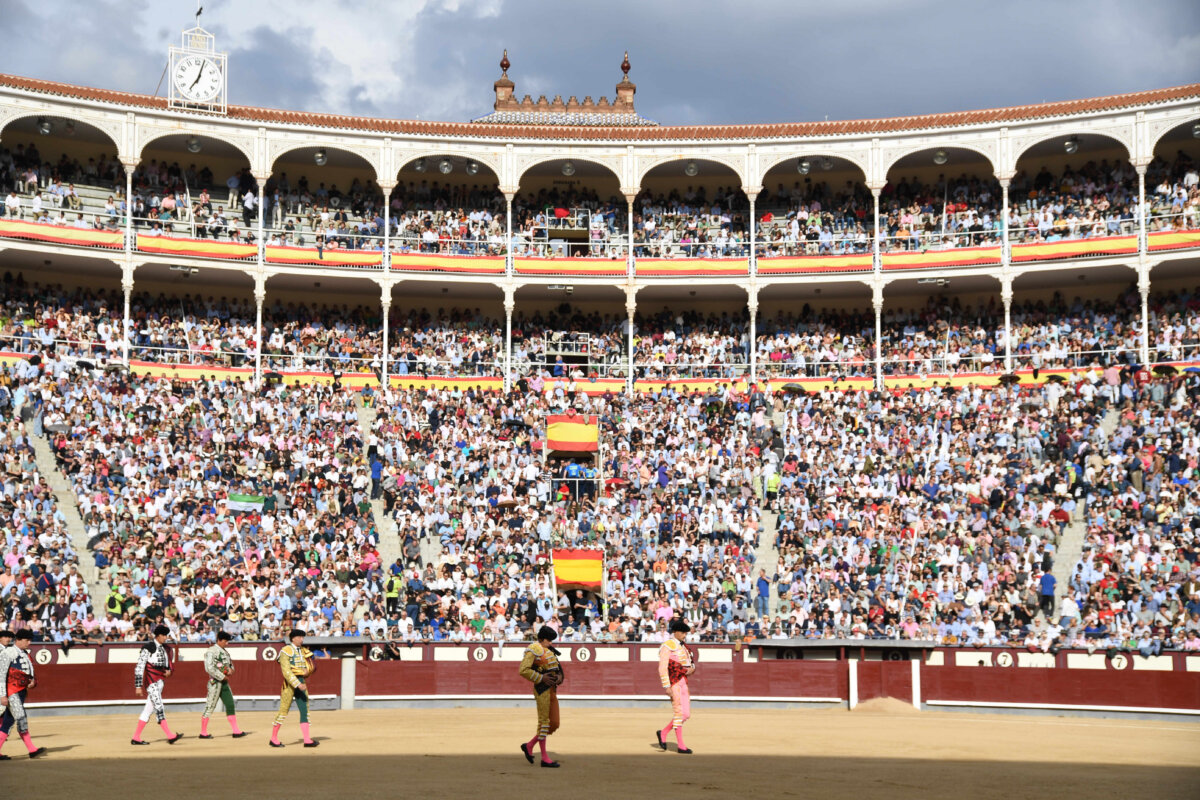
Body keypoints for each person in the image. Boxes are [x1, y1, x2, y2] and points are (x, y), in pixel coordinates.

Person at [517, 625, 563, 768]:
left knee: (554, 723)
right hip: (542, 689)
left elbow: (558, 669)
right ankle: (544, 758)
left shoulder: (549, 650)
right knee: (544, 722)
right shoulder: (534, 649)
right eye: (548, 640)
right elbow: (523, 670)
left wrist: (560, 677)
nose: (550, 643)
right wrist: (540, 678)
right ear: (542, 639)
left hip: (552, 690)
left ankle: (530, 745)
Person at [132, 624, 183, 745]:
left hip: (160, 682)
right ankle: (170, 736)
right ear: (158, 636)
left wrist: (169, 672)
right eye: (164, 635)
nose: (166, 638)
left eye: (166, 635)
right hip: (151, 682)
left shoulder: (165, 648)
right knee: (159, 707)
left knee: (147, 710)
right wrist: (138, 686)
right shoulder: (148, 647)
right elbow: (139, 667)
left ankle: (136, 737)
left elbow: (168, 666)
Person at [0, 630, 47, 759]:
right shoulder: (7, 652)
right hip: (11, 692)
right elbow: (1, 675)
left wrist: (32, 681)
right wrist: (2, 695)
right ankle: (32, 750)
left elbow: (30, 672)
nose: (29, 643)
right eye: (27, 640)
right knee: (21, 718)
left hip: (20, 691)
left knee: (8, 721)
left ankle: (32, 749)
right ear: (18, 640)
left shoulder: (25, 653)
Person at [271, 629, 317, 748]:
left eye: (302, 637)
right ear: (293, 638)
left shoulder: (303, 651)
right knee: (283, 710)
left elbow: (309, 666)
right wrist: (298, 684)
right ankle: (273, 738)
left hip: (301, 681)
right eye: (300, 637)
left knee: (304, 710)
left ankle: (307, 739)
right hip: (290, 684)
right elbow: (286, 671)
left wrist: (307, 672)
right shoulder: (285, 651)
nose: (302, 639)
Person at [656, 620, 695, 754]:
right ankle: (681, 746)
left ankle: (663, 732)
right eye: (683, 633)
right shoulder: (667, 645)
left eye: (686, 633)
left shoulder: (684, 646)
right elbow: (662, 667)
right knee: (679, 713)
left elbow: (690, 663)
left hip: (683, 680)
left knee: (686, 714)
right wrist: (666, 686)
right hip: (674, 682)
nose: (685, 635)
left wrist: (691, 669)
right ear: (676, 632)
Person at [200, 631, 246, 739]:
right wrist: (222, 676)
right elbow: (209, 668)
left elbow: (231, 666)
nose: (227, 643)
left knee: (230, 705)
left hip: (224, 683)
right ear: (219, 640)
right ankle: (203, 732)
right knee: (210, 706)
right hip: (215, 682)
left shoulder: (225, 652)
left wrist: (231, 670)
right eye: (225, 641)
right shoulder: (211, 651)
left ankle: (236, 731)